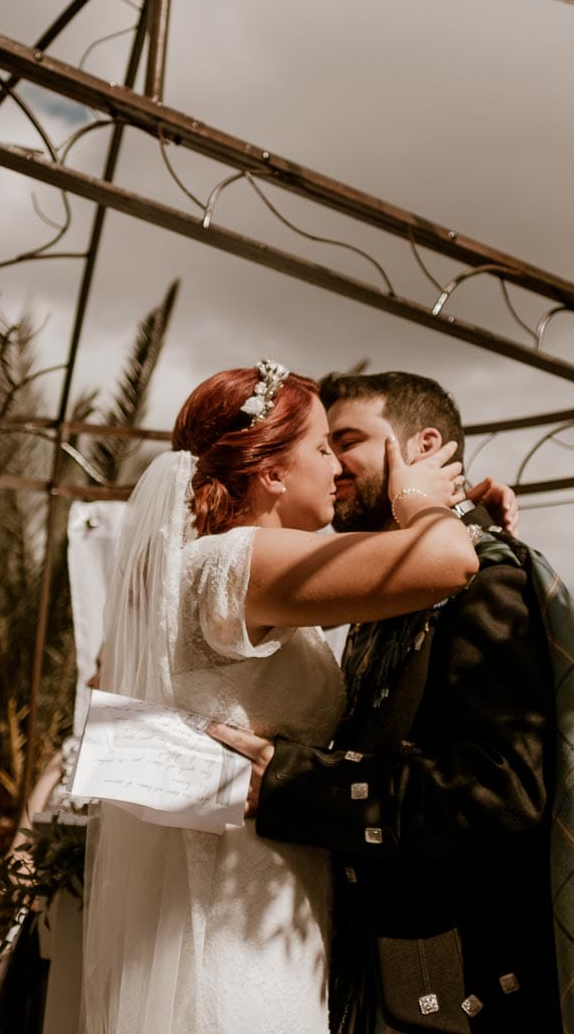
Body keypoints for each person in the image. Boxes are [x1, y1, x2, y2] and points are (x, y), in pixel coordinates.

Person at [213, 371, 574, 1034]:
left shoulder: (489, 579)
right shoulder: (385, 604)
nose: (333, 465)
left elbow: (500, 790)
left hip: (464, 1004)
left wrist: (295, 785)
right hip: (367, 980)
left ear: (424, 446)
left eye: (346, 441)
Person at [79, 360, 507, 1034]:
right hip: (236, 913)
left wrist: (466, 510)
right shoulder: (238, 561)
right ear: (273, 474)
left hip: (271, 898)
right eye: (320, 448)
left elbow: (376, 568)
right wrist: (424, 503)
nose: (337, 468)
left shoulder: (221, 567)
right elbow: (447, 563)